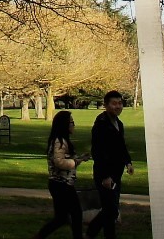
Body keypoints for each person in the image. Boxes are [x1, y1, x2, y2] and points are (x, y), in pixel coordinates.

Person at [32, 109, 87, 238]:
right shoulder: (59, 141)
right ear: (64, 125)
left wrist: (79, 159)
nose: (74, 125)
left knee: (62, 218)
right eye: (71, 123)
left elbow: (64, 159)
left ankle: (39, 236)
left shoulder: (61, 141)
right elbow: (59, 162)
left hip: (60, 184)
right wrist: (75, 161)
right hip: (61, 184)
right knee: (76, 214)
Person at [87, 90, 132, 239]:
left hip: (115, 173)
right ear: (106, 105)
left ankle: (103, 235)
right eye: (114, 103)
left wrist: (128, 162)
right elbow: (98, 151)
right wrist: (105, 176)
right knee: (111, 209)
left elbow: (121, 146)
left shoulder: (118, 123)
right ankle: (90, 233)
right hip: (104, 174)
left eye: (120, 103)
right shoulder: (101, 124)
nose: (118, 106)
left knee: (110, 209)